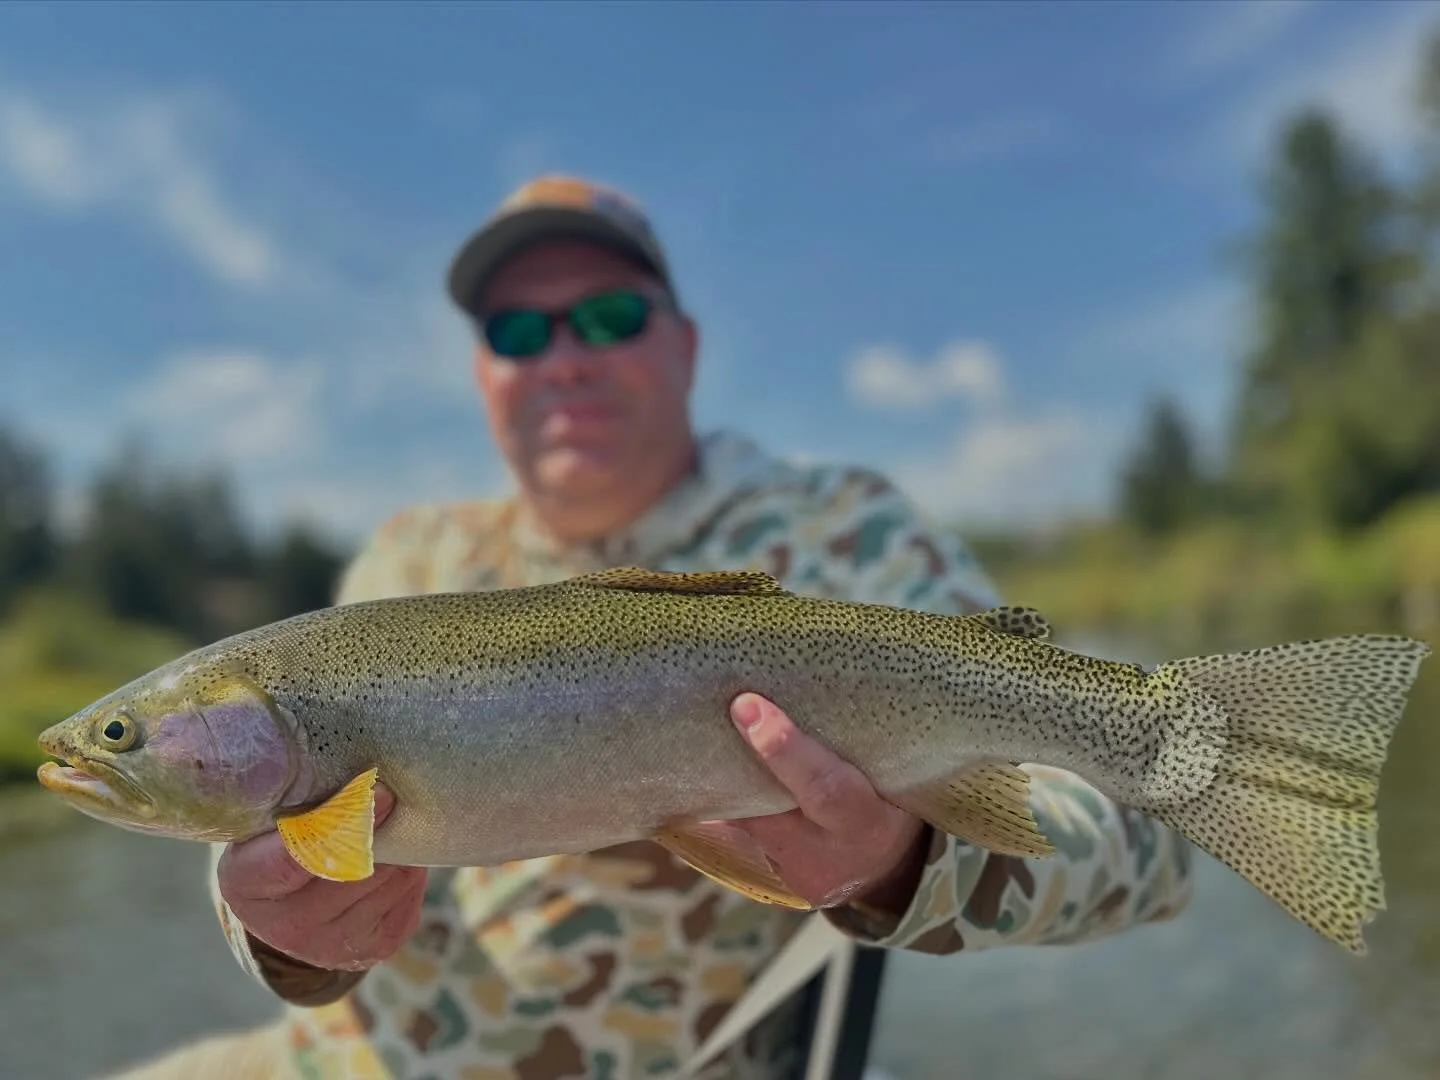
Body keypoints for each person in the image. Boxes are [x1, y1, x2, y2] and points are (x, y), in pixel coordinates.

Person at [134, 175, 1195, 1080]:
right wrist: (285, 940)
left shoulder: (841, 533)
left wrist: (907, 861)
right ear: (483, 376)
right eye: (517, 333)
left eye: (607, 318)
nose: (564, 358)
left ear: (685, 346)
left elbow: (1150, 844)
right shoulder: (411, 559)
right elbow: (260, 816)